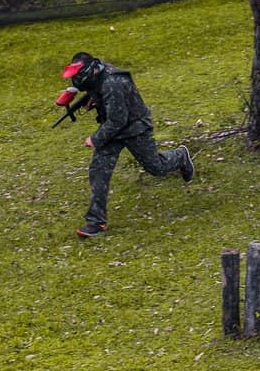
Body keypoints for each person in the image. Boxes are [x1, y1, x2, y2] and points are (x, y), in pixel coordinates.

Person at [59, 52, 194, 238]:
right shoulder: (98, 75)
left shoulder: (113, 83)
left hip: (135, 128)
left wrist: (95, 139)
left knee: (156, 167)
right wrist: (94, 99)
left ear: (91, 72)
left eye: (79, 76)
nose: (76, 81)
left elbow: (117, 121)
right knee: (98, 171)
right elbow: (105, 103)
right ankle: (96, 222)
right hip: (113, 130)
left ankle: (180, 156)